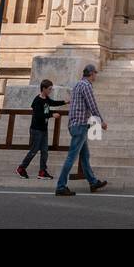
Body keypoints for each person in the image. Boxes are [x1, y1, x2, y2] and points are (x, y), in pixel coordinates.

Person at [55, 65, 108, 196]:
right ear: (91, 73)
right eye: (95, 73)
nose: (96, 75)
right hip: (80, 125)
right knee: (71, 157)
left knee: (85, 156)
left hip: (75, 123)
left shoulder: (78, 84)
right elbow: (92, 105)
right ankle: (61, 186)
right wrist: (101, 121)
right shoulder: (86, 86)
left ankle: (93, 182)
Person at [15, 79, 65, 180]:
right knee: (34, 150)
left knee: (45, 151)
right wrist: (52, 115)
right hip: (36, 130)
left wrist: (65, 102)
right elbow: (39, 115)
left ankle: (42, 172)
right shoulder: (37, 101)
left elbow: (53, 103)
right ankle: (21, 168)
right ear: (44, 89)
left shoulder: (46, 98)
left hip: (43, 129)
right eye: (49, 89)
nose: (51, 91)